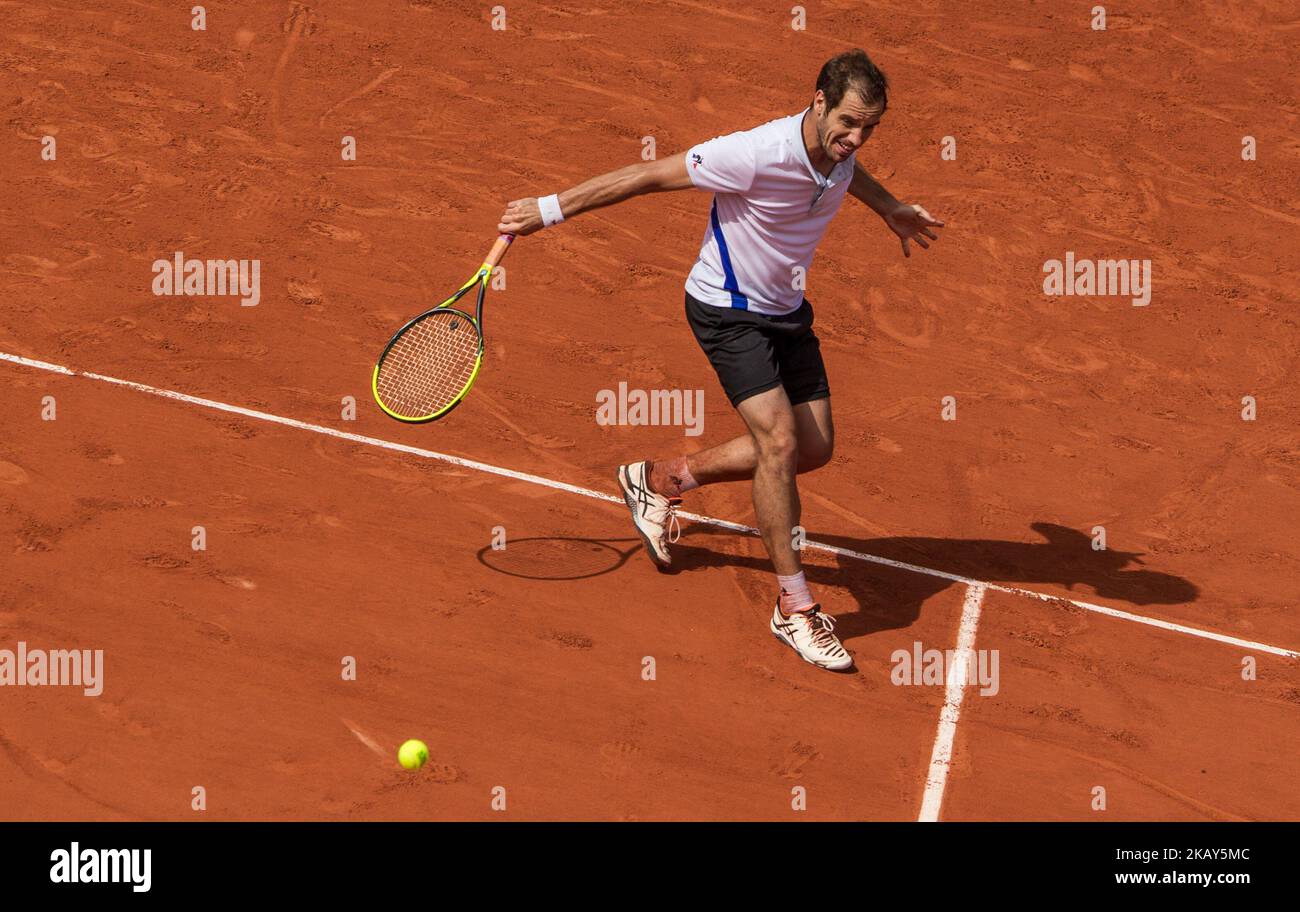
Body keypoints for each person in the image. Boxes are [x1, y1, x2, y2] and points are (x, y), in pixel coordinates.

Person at [497, 49, 942, 672]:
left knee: (814, 449)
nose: (857, 137)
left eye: (869, 128)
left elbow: (847, 172)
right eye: (848, 122)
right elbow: (650, 174)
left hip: (787, 310)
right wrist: (550, 209)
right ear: (817, 102)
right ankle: (794, 607)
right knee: (780, 444)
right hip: (727, 311)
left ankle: (659, 480)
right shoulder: (754, 153)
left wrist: (888, 205)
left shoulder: (836, 149)